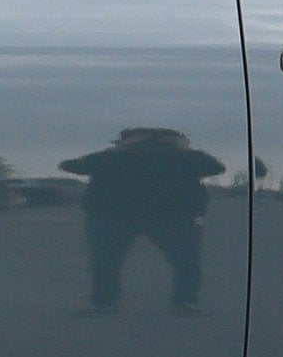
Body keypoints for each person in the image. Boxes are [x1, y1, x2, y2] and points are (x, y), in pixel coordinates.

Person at [60, 125, 223, 313]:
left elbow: (71, 166)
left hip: (114, 215)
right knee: (185, 262)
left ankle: (104, 303)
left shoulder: (112, 157)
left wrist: (121, 149)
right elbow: (216, 167)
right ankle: (185, 302)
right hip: (172, 217)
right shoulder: (183, 157)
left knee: (105, 263)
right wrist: (181, 149)